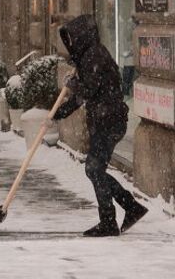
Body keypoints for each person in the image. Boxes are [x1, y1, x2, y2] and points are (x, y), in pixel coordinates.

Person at [47, 14, 148, 237]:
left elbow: (88, 90)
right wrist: (57, 114)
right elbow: (81, 97)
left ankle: (112, 219)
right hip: (105, 121)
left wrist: (74, 84)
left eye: (72, 39)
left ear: (82, 36)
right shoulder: (87, 57)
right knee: (96, 170)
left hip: (109, 121)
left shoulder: (95, 55)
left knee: (94, 169)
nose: (70, 44)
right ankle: (129, 209)